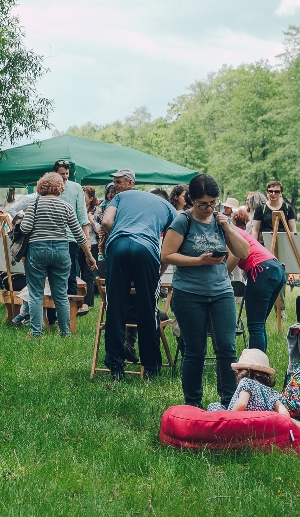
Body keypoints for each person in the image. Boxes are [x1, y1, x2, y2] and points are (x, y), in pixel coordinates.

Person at [161, 174, 250, 408]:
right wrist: (198, 260)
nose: (208, 208)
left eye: (213, 203)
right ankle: (193, 404)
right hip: (189, 294)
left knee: (227, 349)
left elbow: (243, 252)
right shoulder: (183, 221)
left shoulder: (221, 222)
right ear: (191, 200)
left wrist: (227, 228)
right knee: (195, 351)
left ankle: (229, 403)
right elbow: (167, 255)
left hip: (220, 292)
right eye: (203, 204)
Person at [1, 172, 96, 337]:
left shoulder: (35, 205)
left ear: (41, 186)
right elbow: (79, 234)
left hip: (37, 250)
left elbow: (25, 229)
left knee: (36, 293)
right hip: (61, 250)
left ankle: (36, 332)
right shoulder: (66, 206)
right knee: (60, 294)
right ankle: (65, 332)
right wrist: (89, 255)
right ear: (60, 188)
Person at [100, 176, 176, 378]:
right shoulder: (169, 209)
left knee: (115, 308)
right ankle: (150, 367)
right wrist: (158, 272)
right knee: (148, 308)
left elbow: (106, 221)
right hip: (146, 249)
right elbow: (172, 244)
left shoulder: (122, 196)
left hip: (118, 246)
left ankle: (115, 366)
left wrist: (117, 235)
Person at [227, 212, 286, 353]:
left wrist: (220, 276)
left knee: (255, 325)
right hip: (276, 268)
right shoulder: (235, 230)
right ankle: (261, 364)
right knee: (259, 324)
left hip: (261, 270)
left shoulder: (227, 232)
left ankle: (255, 368)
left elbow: (234, 256)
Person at [52, 160, 90, 325]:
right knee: (53, 275)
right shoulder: (48, 188)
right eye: (62, 174)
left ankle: (70, 315)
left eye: (67, 174)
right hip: (52, 237)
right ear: (55, 174)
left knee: (70, 275)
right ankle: (53, 314)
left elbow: (82, 214)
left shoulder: (76, 188)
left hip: (71, 238)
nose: (65, 177)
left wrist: (86, 240)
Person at [206, 349, 290, 416]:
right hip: (262, 423)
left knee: (214, 406)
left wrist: (229, 417)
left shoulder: (247, 383)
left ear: (242, 372)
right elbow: (283, 412)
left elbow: (242, 403)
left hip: (242, 420)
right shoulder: (272, 393)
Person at [81, 185, 101, 313]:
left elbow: (100, 231)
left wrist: (91, 221)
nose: (81, 199)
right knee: (79, 274)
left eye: (84, 197)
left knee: (88, 274)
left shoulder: (97, 211)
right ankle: (79, 301)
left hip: (92, 245)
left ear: (91, 199)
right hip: (79, 245)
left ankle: (88, 303)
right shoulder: (78, 209)